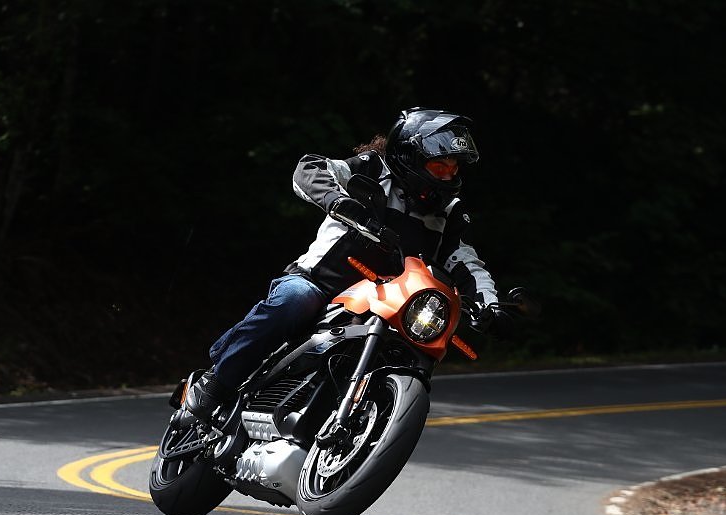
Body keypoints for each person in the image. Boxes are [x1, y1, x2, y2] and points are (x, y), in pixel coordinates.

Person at [183, 107, 506, 422]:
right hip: (319, 284)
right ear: (411, 158)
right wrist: (339, 202)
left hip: (384, 306)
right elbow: (310, 169)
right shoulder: (370, 170)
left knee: (411, 348)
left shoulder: (448, 212)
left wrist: (488, 304)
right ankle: (215, 384)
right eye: (440, 166)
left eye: (454, 167)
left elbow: (465, 261)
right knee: (294, 300)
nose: (449, 174)